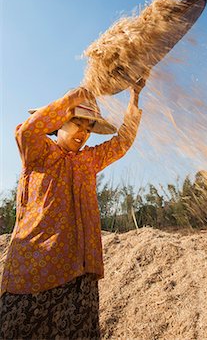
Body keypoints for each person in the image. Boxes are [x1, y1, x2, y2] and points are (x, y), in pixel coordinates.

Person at [0, 82, 145, 339]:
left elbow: (122, 142)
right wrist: (74, 96)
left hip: (79, 275)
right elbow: (27, 131)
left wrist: (134, 97)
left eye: (89, 128)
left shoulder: (87, 161)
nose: (84, 133)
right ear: (60, 122)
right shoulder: (39, 152)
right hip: (33, 272)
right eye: (78, 123)